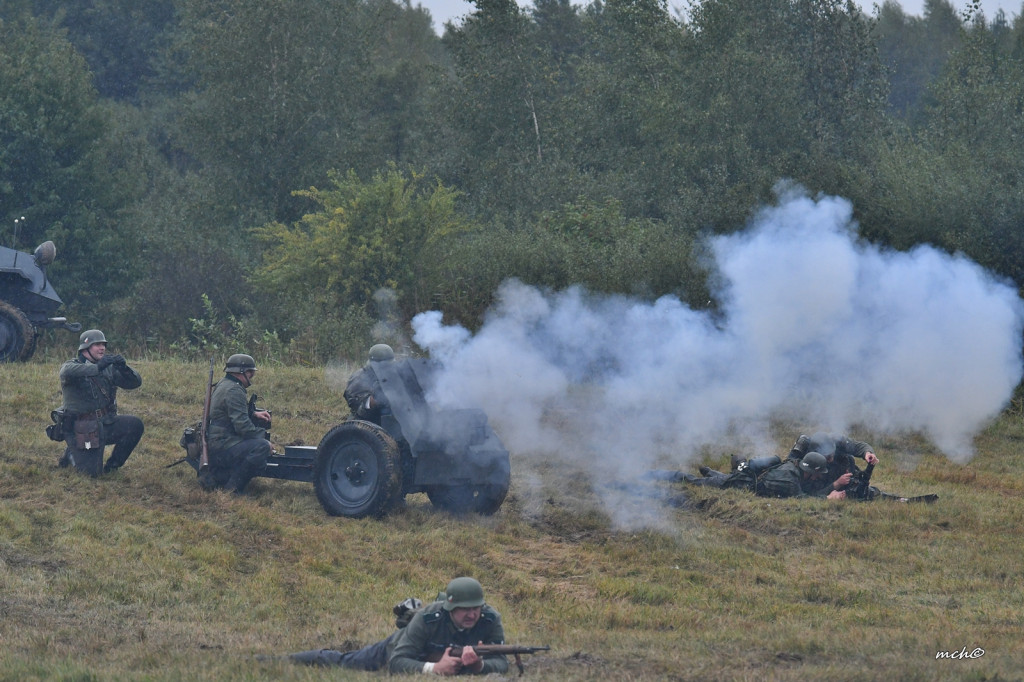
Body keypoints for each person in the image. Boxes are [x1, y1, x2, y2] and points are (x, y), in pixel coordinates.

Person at [288, 576, 510, 675]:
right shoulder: (427, 618)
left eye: (476, 608)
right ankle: (283, 660)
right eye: (464, 609)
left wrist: (479, 667)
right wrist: (434, 669)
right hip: (396, 648)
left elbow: (502, 663)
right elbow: (397, 662)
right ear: (450, 608)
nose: (472, 614)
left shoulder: (490, 619)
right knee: (343, 662)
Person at [58, 329, 144, 476]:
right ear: (85, 348)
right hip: (83, 428)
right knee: (91, 474)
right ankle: (71, 453)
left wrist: (125, 369)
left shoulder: (108, 368)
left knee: (135, 425)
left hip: (105, 423)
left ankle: (113, 466)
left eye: (103, 344)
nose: (102, 348)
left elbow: (134, 383)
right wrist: (98, 366)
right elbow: (67, 372)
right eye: (97, 344)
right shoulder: (72, 366)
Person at [202, 353, 272, 495]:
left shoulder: (224, 384)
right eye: (250, 373)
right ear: (242, 372)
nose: (251, 376)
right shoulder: (234, 390)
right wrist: (263, 438)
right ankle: (233, 488)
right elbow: (243, 427)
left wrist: (253, 414)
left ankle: (221, 477)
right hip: (222, 445)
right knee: (261, 448)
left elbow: (227, 412)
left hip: (218, 441)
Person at [673, 451, 837, 499]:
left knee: (721, 478)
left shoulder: (794, 469)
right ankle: (662, 475)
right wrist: (828, 498)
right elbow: (801, 498)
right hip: (742, 482)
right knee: (695, 482)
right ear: (809, 471)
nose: (818, 477)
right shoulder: (789, 479)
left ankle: (710, 471)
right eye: (817, 473)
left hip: (747, 478)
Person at [783, 431, 879, 498]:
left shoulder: (837, 440)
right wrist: (836, 484)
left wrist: (867, 453)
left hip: (836, 470)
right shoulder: (804, 446)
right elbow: (789, 468)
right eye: (827, 457)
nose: (831, 459)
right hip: (815, 478)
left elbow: (857, 446)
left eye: (831, 454)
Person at [343, 343, 395, 424]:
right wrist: (377, 398)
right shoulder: (359, 378)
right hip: (363, 427)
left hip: (389, 424)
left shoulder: (391, 376)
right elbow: (360, 408)